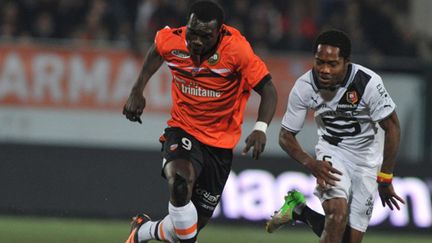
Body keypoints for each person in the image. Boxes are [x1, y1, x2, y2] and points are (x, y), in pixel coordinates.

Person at [122, 1, 277, 243]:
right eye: (192, 32)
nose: (196, 41)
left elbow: (268, 89)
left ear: (219, 32)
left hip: (220, 143)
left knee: (190, 226)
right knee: (180, 182)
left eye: (205, 36)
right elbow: (156, 52)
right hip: (183, 128)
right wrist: (137, 90)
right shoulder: (171, 40)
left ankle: (143, 230)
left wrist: (260, 128)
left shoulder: (236, 50)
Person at [265, 30, 405, 243]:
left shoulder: (366, 83)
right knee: (336, 215)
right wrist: (310, 162)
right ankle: (303, 211)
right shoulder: (304, 86)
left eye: (332, 64)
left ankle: (300, 211)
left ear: (346, 62)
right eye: (319, 62)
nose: (324, 70)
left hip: (368, 158)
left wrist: (385, 177)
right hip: (333, 151)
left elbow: (392, 127)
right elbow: (286, 135)